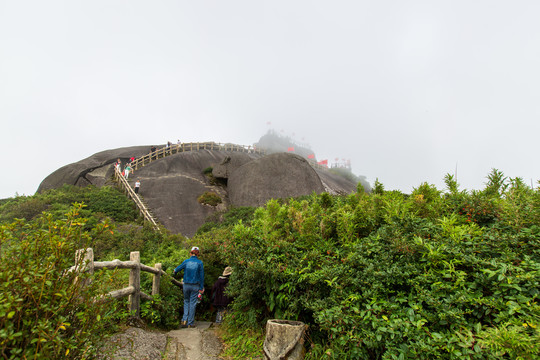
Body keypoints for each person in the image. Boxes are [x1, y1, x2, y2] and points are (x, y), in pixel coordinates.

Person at [174, 247, 205, 328]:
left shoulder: (186, 261)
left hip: (186, 285)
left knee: (186, 301)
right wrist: (201, 288)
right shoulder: (200, 263)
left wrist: (174, 272)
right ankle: (190, 323)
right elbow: (201, 277)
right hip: (195, 285)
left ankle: (184, 320)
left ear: (191, 253)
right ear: (198, 254)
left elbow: (176, 269)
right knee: (192, 303)